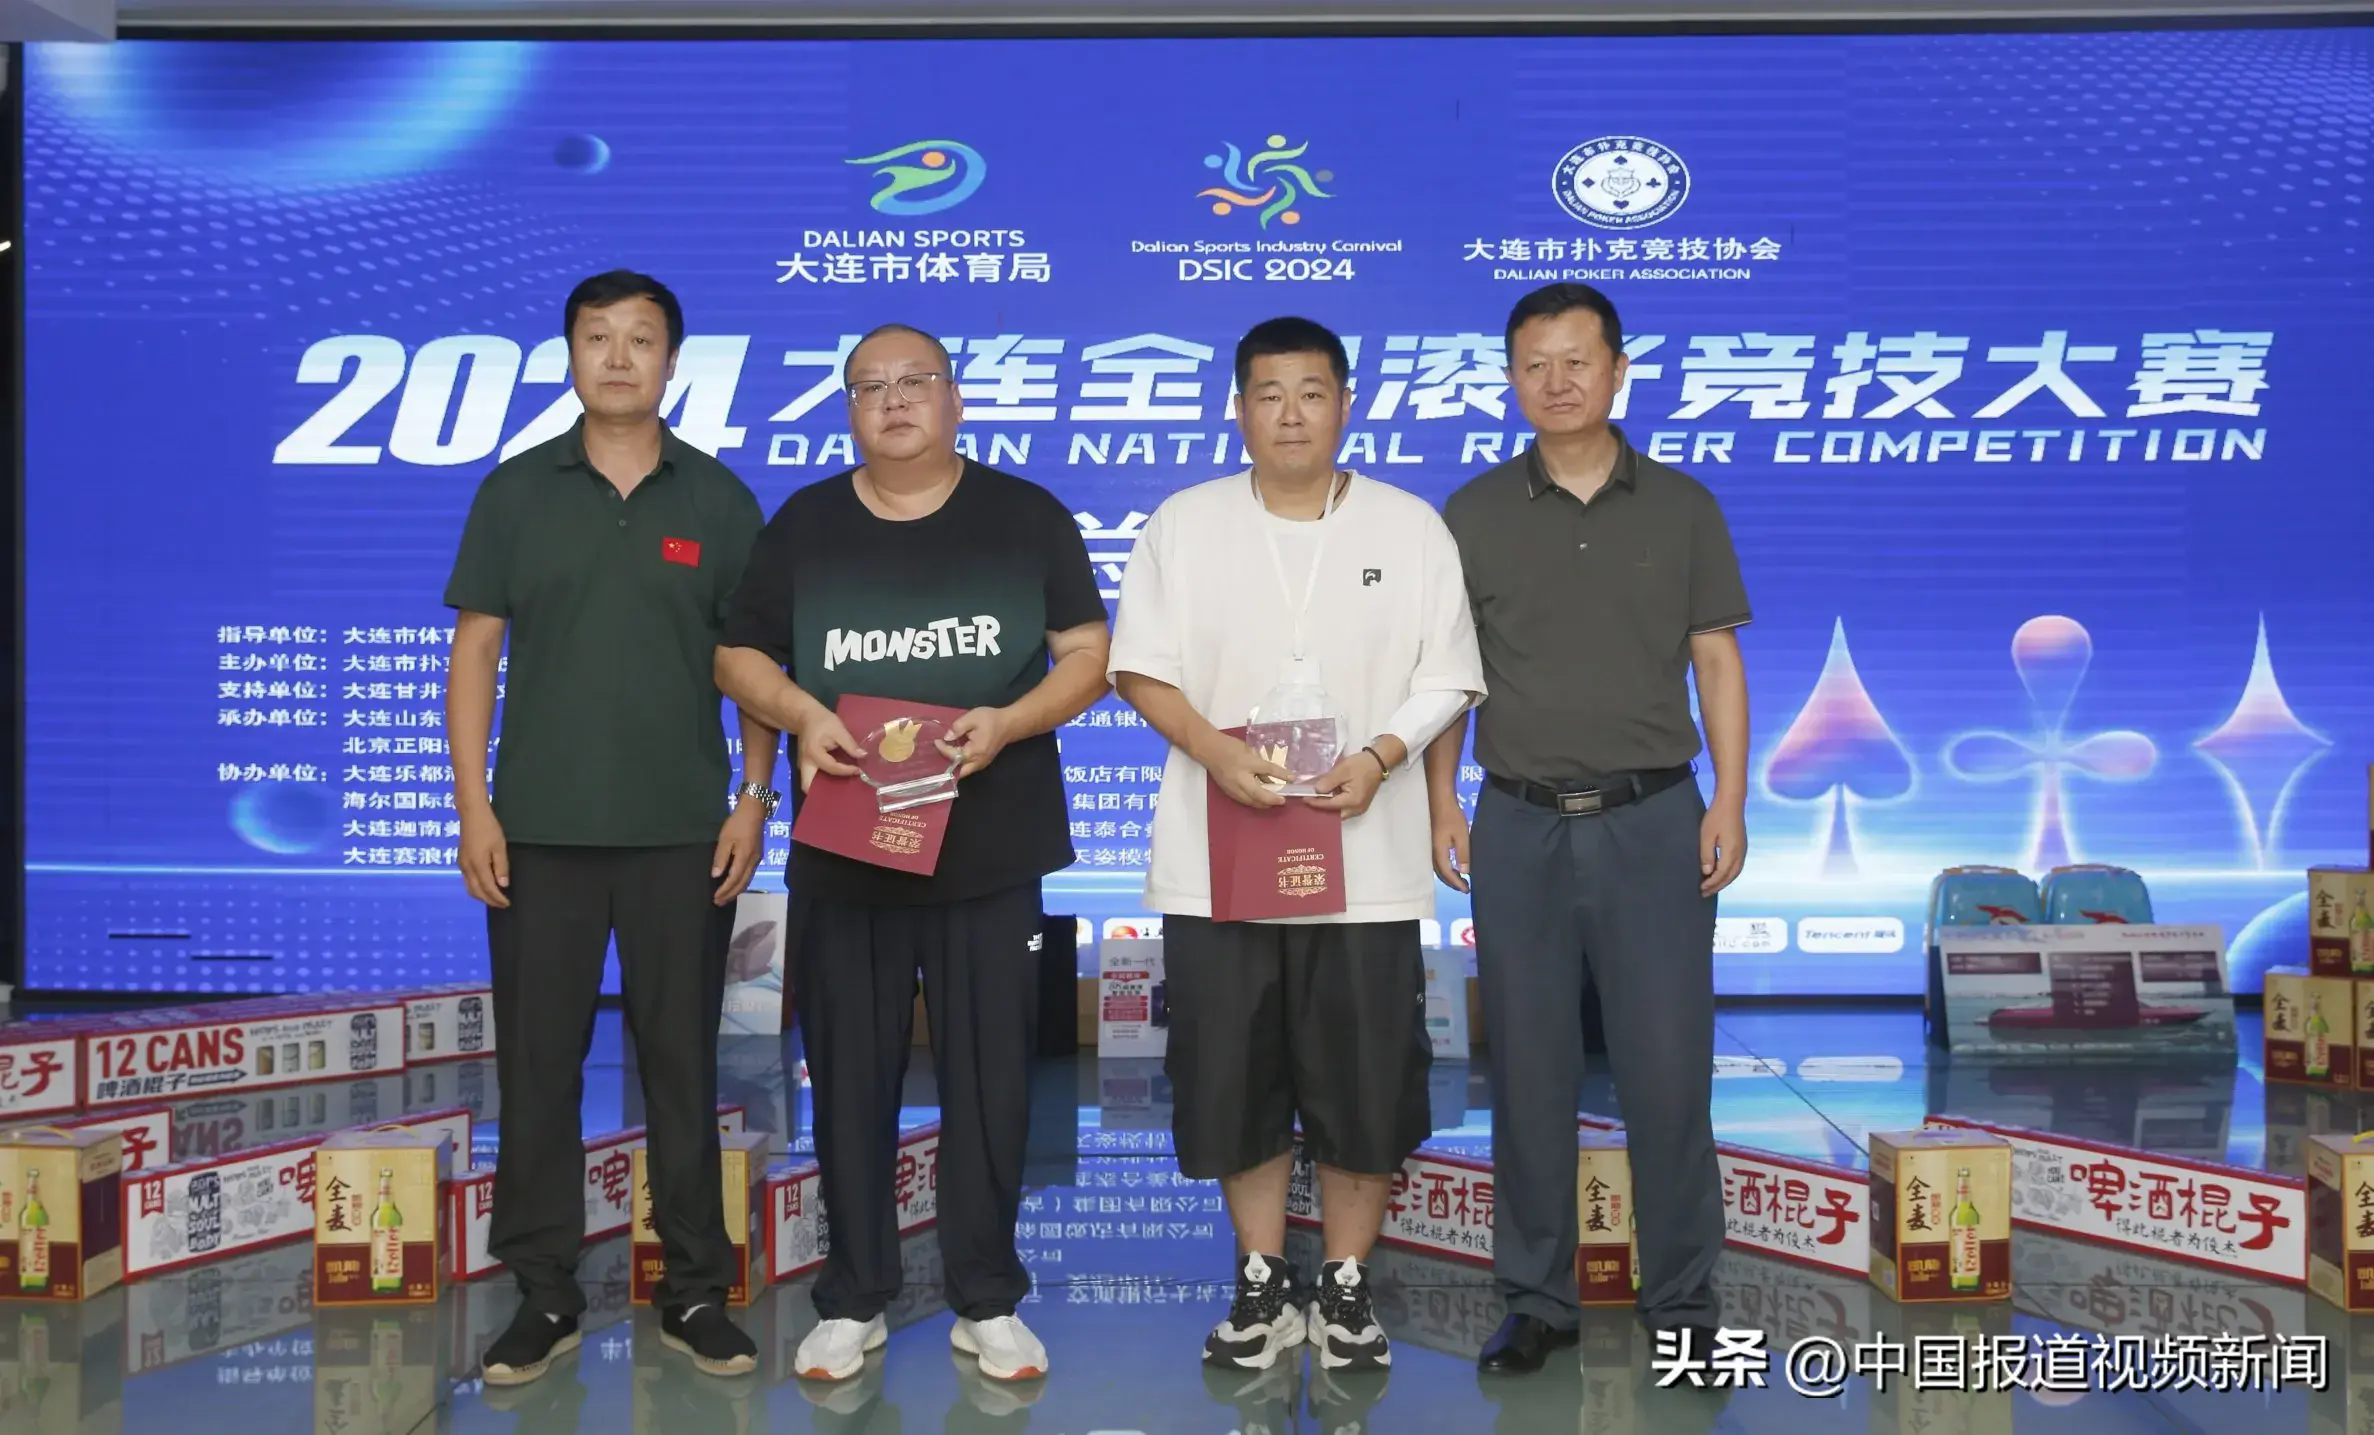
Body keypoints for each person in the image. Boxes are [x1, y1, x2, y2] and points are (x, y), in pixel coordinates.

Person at [715, 323, 1110, 1385]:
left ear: (955, 398)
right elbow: (737, 654)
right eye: (870, 386)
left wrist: (1011, 721)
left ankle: (988, 1297)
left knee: (992, 1080)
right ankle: (854, 1297)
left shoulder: (1025, 515)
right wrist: (803, 712)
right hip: (849, 849)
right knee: (850, 1077)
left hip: (992, 847)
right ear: (849, 409)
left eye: (915, 381)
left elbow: (1089, 654)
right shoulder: (806, 524)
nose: (893, 400)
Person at [1110, 317, 1485, 1375]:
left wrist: (1381, 754)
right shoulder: (1184, 524)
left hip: (1366, 857)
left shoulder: (1410, 526)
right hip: (1220, 857)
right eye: (1268, 394)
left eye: (1311, 393)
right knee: (1234, 1074)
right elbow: (1138, 666)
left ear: (1346, 404)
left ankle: (1349, 1285)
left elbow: (1450, 673)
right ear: (1237, 408)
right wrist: (1215, 751)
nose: (1290, 414)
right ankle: (1263, 1278)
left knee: (1365, 1078)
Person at [445, 269, 774, 1385]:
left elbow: (751, 665)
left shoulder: (718, 499)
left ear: (673, 361)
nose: (620, 357)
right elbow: (476, 651)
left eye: (641, 339)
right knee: (538, 1068)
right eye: (598, 337)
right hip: (538, 832)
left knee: (682, 1066)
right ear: (571, 355)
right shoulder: (515, 491)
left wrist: (753, 797)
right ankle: (543, 1292)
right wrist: (475, 806)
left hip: (682, 833)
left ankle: (694, 1289)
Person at [1430, 283, 1751, 1373]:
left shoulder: (1682, 505)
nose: (1557, 381)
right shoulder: (1471, 512)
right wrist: (1443, 800)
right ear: (1510, 378)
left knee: (1669, 1070)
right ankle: (1536, 1298)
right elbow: (1451, 679)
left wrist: (1729, 798)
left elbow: (1716, 660)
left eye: (1577, 360)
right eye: (1535, 364)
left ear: (1618, 369)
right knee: (1528, 1070)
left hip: (1652, 818)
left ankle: (1683, 1300)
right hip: (1516, 821)